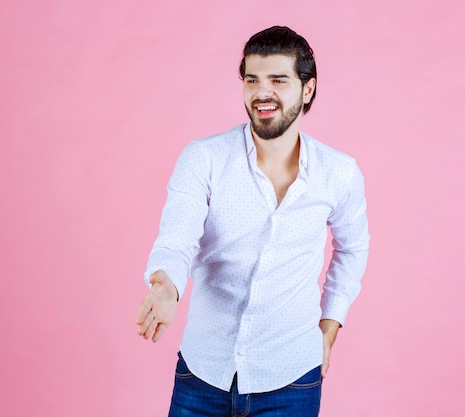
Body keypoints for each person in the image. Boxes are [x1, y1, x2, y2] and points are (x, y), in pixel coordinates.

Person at [135, 25, 370, 417]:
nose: (263, 93)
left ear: (307, 89)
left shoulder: (339, 172)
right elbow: (178, 239)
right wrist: (166, 288)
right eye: (252, 80)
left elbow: (353, 247)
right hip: (203, 373)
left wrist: (330, 325)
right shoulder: (203, 158)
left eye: (278, 80)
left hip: (292, 378)